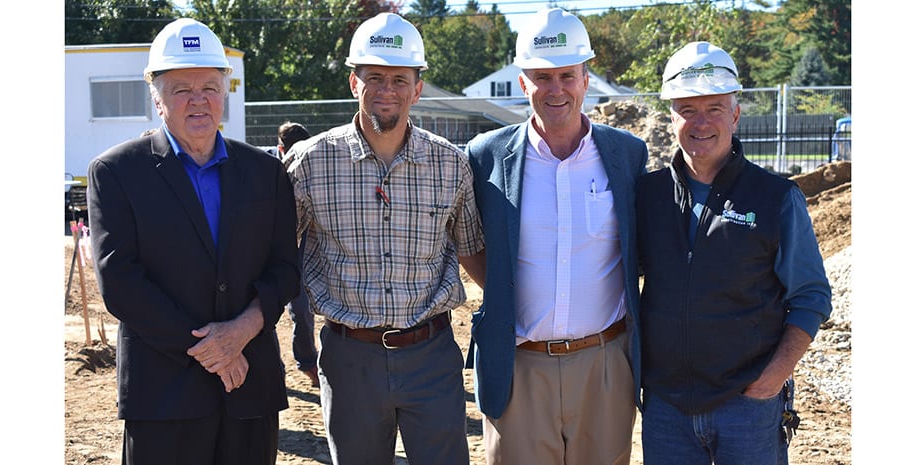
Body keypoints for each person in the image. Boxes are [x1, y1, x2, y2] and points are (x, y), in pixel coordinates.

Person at [86, 18, 299, 465]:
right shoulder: (117, 173)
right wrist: (215, 351)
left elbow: (284, 268)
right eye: (181, 88)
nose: (198, 99)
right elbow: (121, 281)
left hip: (248, 392)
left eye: (209, 86)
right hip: (165, 395)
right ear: (156, 97)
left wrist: (241, 331)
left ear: (226, 92)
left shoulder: (265, 172)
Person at [283, 12, 484, 465]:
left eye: (399, 78)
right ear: (355, 82)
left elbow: (473, 250)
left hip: (431, 354)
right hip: (349, 356)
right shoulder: (310, 164)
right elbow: (273, 253)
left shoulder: (450, 165)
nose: (387, 89)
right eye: (374, 77)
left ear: (418, 86)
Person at [462, 8, 648, 465]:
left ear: (586, 78)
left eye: (567, 75)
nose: (556, 89)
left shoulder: (627, 155)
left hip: (604, 363)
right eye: (542, 77)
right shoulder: (485, 156)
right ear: (523, 82)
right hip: (518, 364)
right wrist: (506, 291)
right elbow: (467, 240)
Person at [636, 41, 833, 465]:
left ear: (736, 113)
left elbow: (811, 295)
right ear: (670, 115)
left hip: (748, 407)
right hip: (667, 407)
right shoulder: (647, 196)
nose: (700, 122)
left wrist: (773, 379)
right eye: (687, 108)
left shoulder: (776, 197)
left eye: (715, 108)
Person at [271, 121, 320, 387]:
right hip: (278, 251)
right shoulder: (271, 172)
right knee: (276, 311)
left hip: (302, 250)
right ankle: (282, 367)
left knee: (301, 309)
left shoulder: (312, 169)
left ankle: (308, 362)